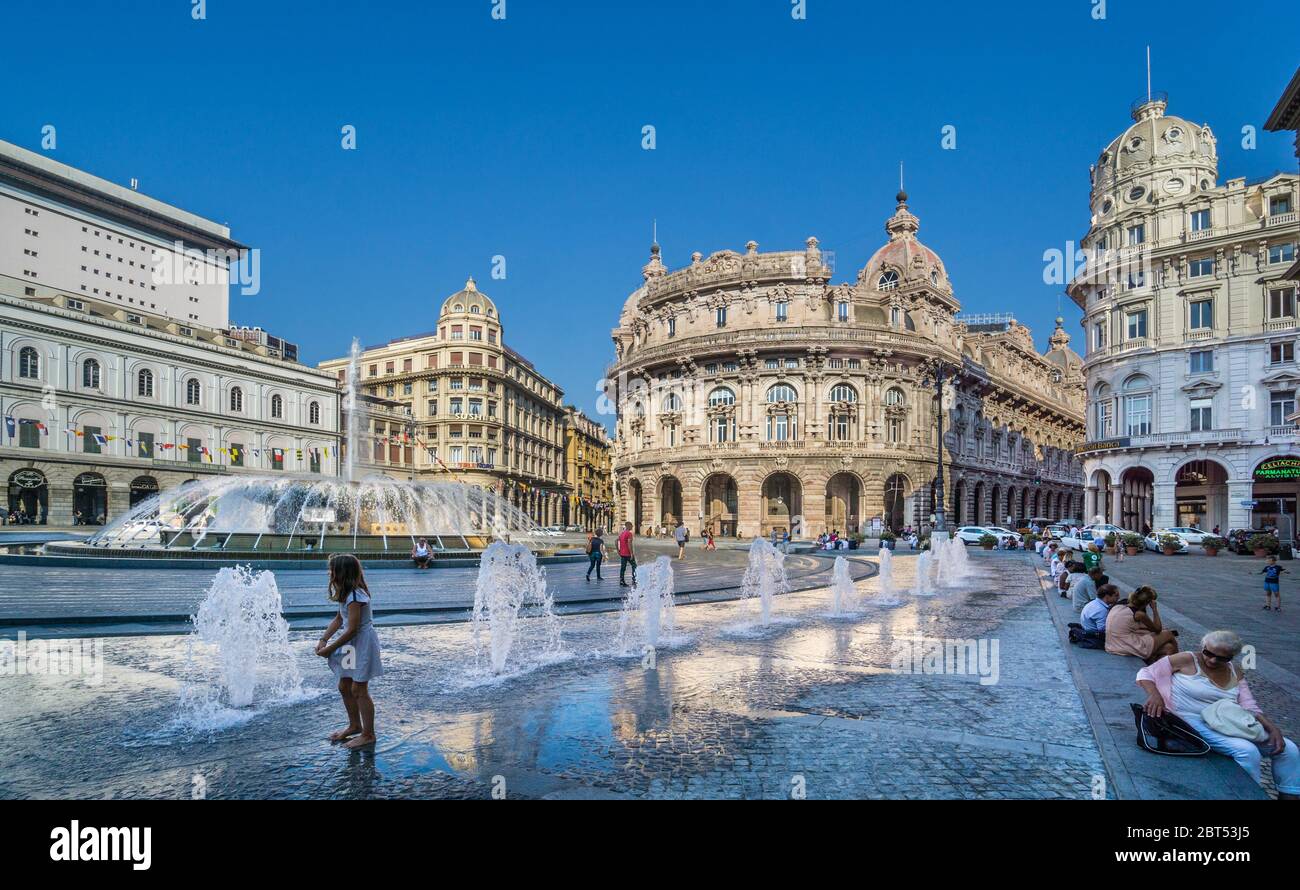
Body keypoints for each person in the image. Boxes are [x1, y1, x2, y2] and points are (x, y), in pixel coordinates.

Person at [1137, 630, 1299, 798]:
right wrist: (1155, 695)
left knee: (1289, 749)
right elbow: (1146, 673)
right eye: (1209, 653)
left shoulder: (1235, 671)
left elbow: (1248, 705)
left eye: (1222, 658)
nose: (1213, 660)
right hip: (1189, 719)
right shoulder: (1186, 659)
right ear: (1203, 647)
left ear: (1231, 657)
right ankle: (1245, 796)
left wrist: (1272, 728)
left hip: (1228, 720)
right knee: (1247, 751)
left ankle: (1289, 796)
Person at [316, 554, 383, 750]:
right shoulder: (346, 593)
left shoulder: (356, 595)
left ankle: (368, 734)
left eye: (332, 570)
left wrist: (329, 649)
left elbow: (352, 628)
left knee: (358, 689)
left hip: (362, 643)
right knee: (345, 686)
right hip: (350, 644)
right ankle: (355, 725)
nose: (330, 573)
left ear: (342, 573)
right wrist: (323, 639)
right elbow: (339, 619)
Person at [1106, 585, 1178, 664]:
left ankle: (1160, 668)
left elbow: (1141, 627)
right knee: (1168, 634)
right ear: (1147, 603)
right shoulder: (1139, 614)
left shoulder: (1118, 607)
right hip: (1126, 646)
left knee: (1169, 648)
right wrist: (1154, 609)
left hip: (1112, 645)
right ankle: (1179, 663)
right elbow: (1158, 629)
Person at [617, 521, 636, 587]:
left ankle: (621, 581)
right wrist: (631, 553)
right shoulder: (629, 533)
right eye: (631, 526)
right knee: (634, 566)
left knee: (623, 568)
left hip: (622, 553)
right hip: (627, 553)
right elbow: (629, 543)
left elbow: (616, 541)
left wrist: (618, 550)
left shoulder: (622, 533)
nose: (632, 527)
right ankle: (634, 579)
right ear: (628, 526)